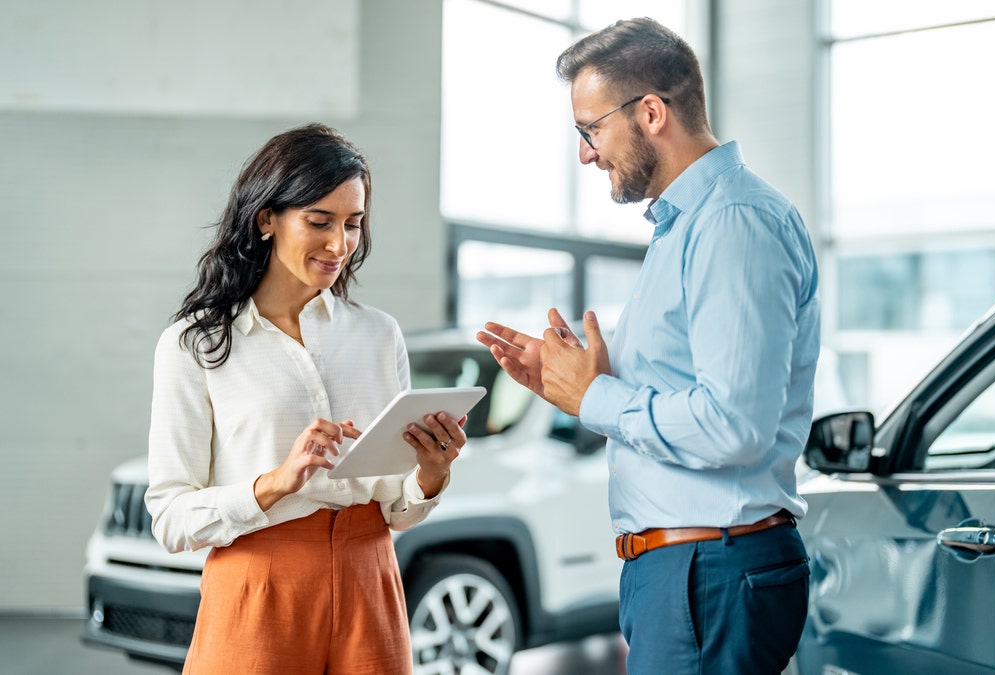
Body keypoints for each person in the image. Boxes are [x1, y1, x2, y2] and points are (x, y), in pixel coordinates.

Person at [476, 17, 820, 675]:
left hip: (709, 570)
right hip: (688, 571)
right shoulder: (685, 227)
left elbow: (735, 425)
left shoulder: (732, 224)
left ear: (652, 113)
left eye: (590, 130)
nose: (584, 153)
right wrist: (574, 381)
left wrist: (597, 395)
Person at [145, 123, 465, 674]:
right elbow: (170, 518)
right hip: (258, 585)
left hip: (372, 580)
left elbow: (397, 507)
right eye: (319, 221)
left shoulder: (378, 334)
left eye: (353, 223)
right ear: (266, 218)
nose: (339, 244)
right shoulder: (195, 345)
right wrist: (274, 484)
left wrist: (430, 475)